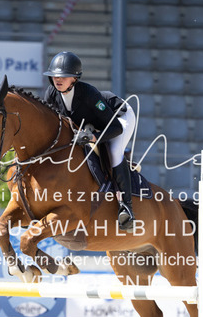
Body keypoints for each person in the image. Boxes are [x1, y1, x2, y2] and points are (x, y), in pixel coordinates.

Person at [43, 51, 137, 232]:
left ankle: (127, 208)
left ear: (75, 78)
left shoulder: (89, 94)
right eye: (54, 75)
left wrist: (93, 137)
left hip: (119, 117)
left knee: (114, 152)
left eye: (63, 76)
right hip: (92, 124)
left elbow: (115, 128)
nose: (58, 79)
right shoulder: (51, 94)